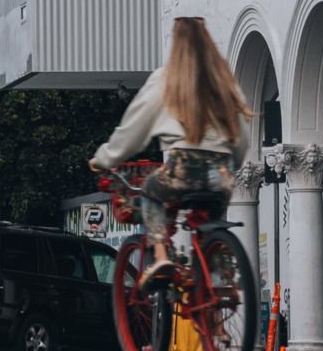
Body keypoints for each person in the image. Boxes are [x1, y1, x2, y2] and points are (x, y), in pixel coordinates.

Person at [90, 16, 249, 291]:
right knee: (211, 223)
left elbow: (133, 129)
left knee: (151, 192)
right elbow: (242, 136)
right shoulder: (223, 82)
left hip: (182, 168)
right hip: (221, 173)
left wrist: (105, 158)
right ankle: (216, 284)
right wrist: (232, 164)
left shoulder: (165, 79)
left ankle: (162, 255)